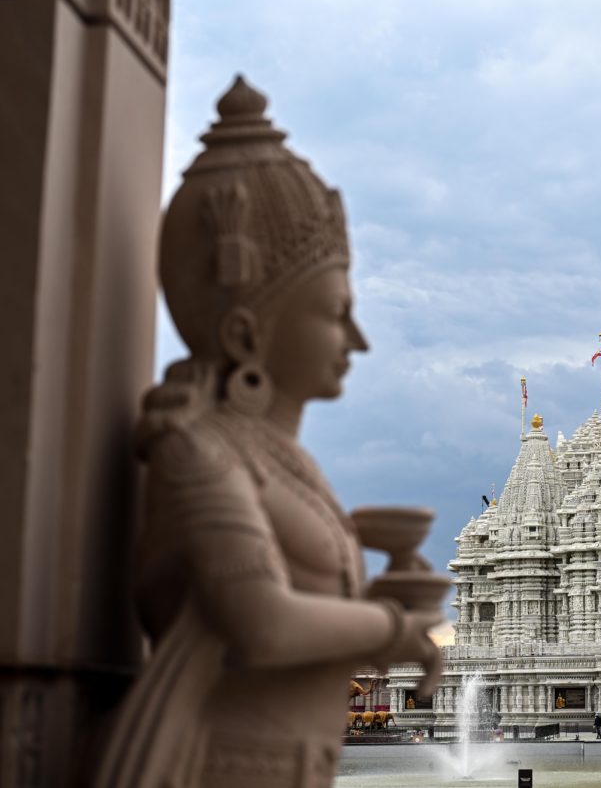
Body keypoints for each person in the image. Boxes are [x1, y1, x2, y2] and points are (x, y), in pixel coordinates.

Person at [93, 78, 442, 788]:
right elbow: (261, 625)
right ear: (246, 333)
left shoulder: (284, 462)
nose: (357, 340)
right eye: (335, 312)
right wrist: (392, 629)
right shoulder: (197, 452)